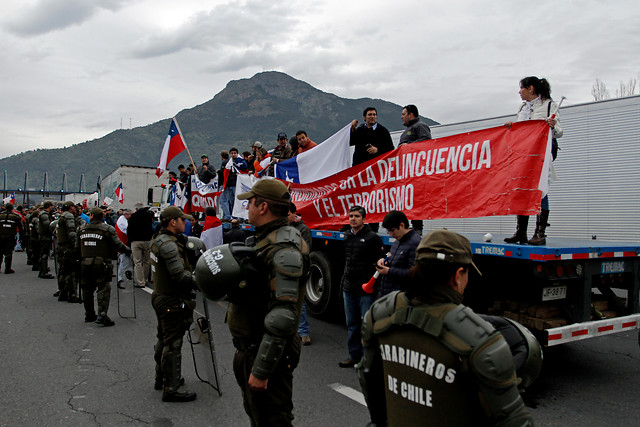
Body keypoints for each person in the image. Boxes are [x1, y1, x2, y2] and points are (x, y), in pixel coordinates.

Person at [358, 229, 533, 426]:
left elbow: (367, 377)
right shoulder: (480, 340)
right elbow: (515, 420)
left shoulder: (381, 313)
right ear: (459, 275)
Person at [230, 179, 310, 425]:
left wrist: (262, 369)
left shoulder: (283, 249)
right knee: (258, 415)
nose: (247, 208)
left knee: (272, 420)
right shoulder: (268, 239)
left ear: (263, 207)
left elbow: (284, 315)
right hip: (253, 346)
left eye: (250, 203)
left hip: (264, 351)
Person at [504, 76, 563, 246]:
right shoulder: (523, 107)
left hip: (541, 154)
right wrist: (512, 127)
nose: (519, 92)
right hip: (524, 154)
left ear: (530, 88)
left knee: (540, 189)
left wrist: (552, 125)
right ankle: (521, 232)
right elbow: (522, 130)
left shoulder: (549, 105)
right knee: (522, 189)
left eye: (521, 88)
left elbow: (559, 132)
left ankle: (540, 233)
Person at [150, 206, 199, 402]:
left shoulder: (159, 239)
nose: (185, 222)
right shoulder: (169, 244)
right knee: (173, 342)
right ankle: (171, 387)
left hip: (161, 295)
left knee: (164, 338)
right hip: (171, 298)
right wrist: (202, 281)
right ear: (172, 222)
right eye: (182, 220)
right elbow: (179, 275)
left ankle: (161, 376)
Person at [340, 205, 384, 368]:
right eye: (351, 216)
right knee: (352, 324)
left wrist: (373, 285)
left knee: (367, 326)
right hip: (349, 288)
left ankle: (368, 360)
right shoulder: (346, 236)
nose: (353, 218)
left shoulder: (373, 238)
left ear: (364, 219)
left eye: (357, 216)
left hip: (366, 289)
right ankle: (354, 356)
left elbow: (380, 263)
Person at [78, 207, 132, 326]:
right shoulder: (107, 229)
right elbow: (118, 244)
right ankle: (102, 315)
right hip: (101, 263)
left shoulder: (82, 229)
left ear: (91, 216)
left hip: (84, 262)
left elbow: (77, 246)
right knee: (103, 288)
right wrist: (128, 250)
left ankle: (89, 314)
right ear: (102, 217)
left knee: (87, 289)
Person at [398, 104, 432, 235]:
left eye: (403, 114)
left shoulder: (420, 126)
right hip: (406, 170)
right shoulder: (408, 129)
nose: (401, 117)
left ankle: (418, 228)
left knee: (416, 198)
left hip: (416, 170)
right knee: (408, 199)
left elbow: (427, 142)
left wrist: (409, 145)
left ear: (410, 114)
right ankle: (410, 225)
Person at [376, 210, 421, 298]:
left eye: (392, 230)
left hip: (401, 298)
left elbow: (415, 274)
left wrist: (389, 271)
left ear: (402, 225)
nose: (390, 235)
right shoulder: (397, 241)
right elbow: (394, 261)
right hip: (387, 295)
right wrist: (384, 261)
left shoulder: (415, 243)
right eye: (388, 231)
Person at [289, 202, 313, 346]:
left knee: (300, 301)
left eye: (287, 214)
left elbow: (306, 250)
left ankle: (304, 332)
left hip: (299, 270)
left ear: (293, 214)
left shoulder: (304, 229)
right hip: (286, 269)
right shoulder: (285, 228)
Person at [55, 201, 81, 302]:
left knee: (63, 271)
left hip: (61, 246)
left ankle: (63, 292)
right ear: (70, 207)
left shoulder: (61, 216)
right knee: (72, 272)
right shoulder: (69, 216)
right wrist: (76, 246)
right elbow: (71, 233)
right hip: (68, 247)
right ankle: (72, 294)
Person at [128, 202, 154, 288]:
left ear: (136, 209)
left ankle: (140, 281)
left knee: (137, 262)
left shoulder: (133, 217)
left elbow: (129, 229)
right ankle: (146, 279)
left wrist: (130, 239)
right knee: (146, 261)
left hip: (136, 241)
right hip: (147, 240)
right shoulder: (148, 216)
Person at [0, 203, 24, 274]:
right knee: (9, 252)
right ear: (12, 208)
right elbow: (20, 228)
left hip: (0, 236)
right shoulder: (16, 217)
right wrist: (22, 238)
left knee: (0, 252)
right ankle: (7, 268)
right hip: (10, 237)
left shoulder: (0, 216)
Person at [37, 201, 56, 279]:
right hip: (45, 237)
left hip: (43, 236)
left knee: (43, 254)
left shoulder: (43, 214)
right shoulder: (45, 215)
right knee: (44, 254)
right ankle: (44, 272)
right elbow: (48, 226)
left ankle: (42, 270)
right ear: (49, 206)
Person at [115, 209, 133, 289]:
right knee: (123, 262)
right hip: (123, 244)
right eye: (130, 215)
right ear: (126, 214)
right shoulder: (122, 222)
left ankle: (125, 274)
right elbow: (127, 231)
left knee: (125, 261)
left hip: (122, 243)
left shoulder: (122, 220)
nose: (131, 216)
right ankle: (120, 279)